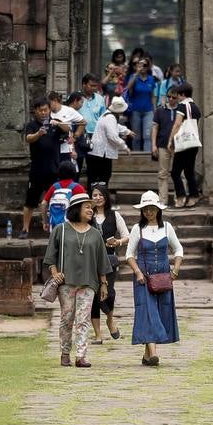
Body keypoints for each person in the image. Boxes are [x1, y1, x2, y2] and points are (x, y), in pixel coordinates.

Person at [44, 191, 110, 368]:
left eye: (92, 208)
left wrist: (104, 283)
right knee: (67, 318)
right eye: (87, 207)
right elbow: (50, 255)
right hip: (66, 283)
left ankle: (81, 356)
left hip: (88, 283)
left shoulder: (96, 234)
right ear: (76, 209)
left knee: (83, 319)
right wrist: (54, 273)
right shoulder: (60, 230)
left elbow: (102, 262)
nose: (91, 210)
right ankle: (65, 353)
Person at [125, 190, 183, 366]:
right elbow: (129, 254)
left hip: (163, 276)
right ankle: (154, 353)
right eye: (145, 209)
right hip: (143, 277)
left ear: (158, 209)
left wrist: (175, 270)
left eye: (151, 208)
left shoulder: (167, 227)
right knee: (147, 311)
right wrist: (137, 272)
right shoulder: (137, 229)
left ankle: (146, 355)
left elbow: (178, 249)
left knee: (159, 312)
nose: (148, 212)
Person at [87, 183, 128, 344]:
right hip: (90, 261)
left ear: (106, 197)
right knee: (93, 296)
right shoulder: (88, 215)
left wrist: (118, 242)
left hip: (109, 260)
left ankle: (110, 318)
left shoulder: (114, 215)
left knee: (108, 293)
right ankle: (98, 334)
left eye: (100, 195)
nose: (97, 198)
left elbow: (127, 235)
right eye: (94, 195)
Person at [19, 96, 57, 238]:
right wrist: (39, 133)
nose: (43, 113)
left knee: (55, 201)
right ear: (35, 111)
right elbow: (29, 138)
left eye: (45, 110)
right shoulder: (32, 125)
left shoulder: (54, 124)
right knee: (30, 201)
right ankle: (25, 229)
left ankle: (54, 229)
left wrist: (58, 124)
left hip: (53, 169)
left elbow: (68, 129)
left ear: (49, 110)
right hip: (37, 170)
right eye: (40, 110)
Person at [168, 81, 203, 208]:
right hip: (193, 143)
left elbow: (177, 124)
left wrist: (170, 140)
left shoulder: (182, 106)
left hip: (183, 143)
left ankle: (180, 198)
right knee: (189, 172)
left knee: (175, 172)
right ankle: (193, 197)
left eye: (178, 95)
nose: (177, 97)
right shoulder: (195, 107)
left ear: (182, 94)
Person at [87, 96, 132, 189]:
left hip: (99, 153)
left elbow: (115, 127)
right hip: (101, 154)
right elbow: (113, 136)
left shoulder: (107, 115)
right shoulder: (110, 118)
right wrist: (124, 147)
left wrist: (127, 131)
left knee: (96, 179)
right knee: (102, 178)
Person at [152, 86, 180, 206]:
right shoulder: (160, 110)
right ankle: (163, 201)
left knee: (180, 173)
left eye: (174, 97)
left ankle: (179, 199)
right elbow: (155, 127)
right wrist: (154, 145)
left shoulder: (181, 110)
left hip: (179, 146)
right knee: (163, 173)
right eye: (169, 97)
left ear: (178, 98)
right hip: (163, 144)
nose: (171, 99)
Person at [123, 56, 158, 152]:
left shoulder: (151, 79)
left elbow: (153, 96)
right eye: (140, 64)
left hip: (148, 111)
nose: (143, 67)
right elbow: (127, 88)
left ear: (148, 67)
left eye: (145, 65)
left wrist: (154, 110)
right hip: (135, 111)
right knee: (136, 137)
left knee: (147, 136)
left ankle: (147, 157)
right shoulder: (133, 76)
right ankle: (136, 158)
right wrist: (137, 73)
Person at [41, 161, 85, 230]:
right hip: (73, 226)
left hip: (55, 225)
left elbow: (43, 204)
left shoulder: (54, 187)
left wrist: (45, 222)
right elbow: (84, 206)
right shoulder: (78, 188)